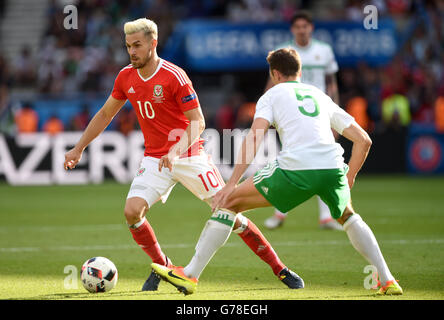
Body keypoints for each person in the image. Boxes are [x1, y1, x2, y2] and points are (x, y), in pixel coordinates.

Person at [64, 18, 301, 292]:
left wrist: (176, 151)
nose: (132, 52)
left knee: (229, 210)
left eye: (137, 45)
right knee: (132, 211)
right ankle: (162, 265)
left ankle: (279, 268)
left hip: (189, 156)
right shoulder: (125, 77)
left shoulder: (174, 75)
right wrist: (79, 146)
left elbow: (198, 121)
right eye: (128, 46)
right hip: (155, 158)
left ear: (153, 43)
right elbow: (106, 114)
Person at [152, 48, 402, 296]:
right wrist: (349, 177)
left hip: (296, 168)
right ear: (299, 71)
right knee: (348, 217)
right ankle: (388, 279)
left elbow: (255, 137)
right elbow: (364, 140)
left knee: (227, 203)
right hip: (332, 167)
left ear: (274, 74)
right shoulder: (319, 95)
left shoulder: (271, 95)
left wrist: (231, 184)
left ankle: (190, 274)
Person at [263, 11, 342, 231]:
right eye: (297, 26)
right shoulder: (284, 52)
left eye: (305, 26)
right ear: (292, 29)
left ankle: (326, 217)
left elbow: (332, 83)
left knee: (324, 160)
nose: (301, 30)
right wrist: (265, 108)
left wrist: (335, 114)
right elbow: (272, 82)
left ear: (311, 28)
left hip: (318, 112)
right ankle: (280, 214)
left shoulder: (324, 51)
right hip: (291, 113)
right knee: (289, 160)